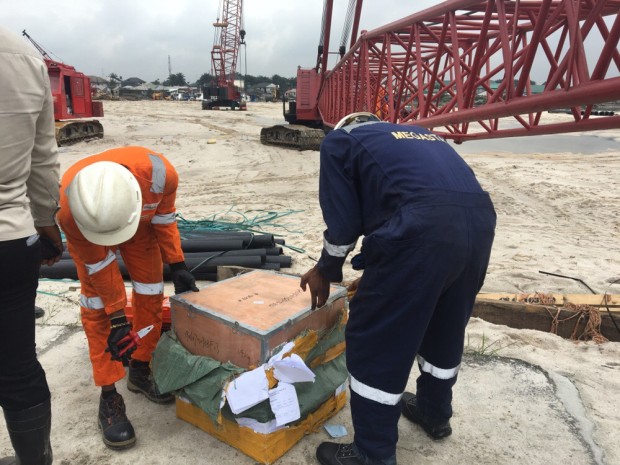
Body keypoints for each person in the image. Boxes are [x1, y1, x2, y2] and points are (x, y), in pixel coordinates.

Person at [300, 112, 496, 465]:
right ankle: (434, 413)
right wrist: (382, 269)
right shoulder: (422, 137)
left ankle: (372, 453)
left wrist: (325, 270)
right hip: (479, 227)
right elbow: (413, 201)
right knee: (445, 325)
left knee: (376, 340)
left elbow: (344, 226)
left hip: (421, 232)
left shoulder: (340, 142)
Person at [56, 146, 199, 450]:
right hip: (90, 234)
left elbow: (164, 219)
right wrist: (118, 318)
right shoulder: (70, 208)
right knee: (96, 306)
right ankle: (109, 395)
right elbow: (100, 268)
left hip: (140, 224)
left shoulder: (161, 176)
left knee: (150, 291)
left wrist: (177, 264)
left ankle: (139, 367)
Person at [0, 26, 63, 465]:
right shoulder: (23, 55)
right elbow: (43, 157)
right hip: (11, 239)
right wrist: (46, 224)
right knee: (18, 367)